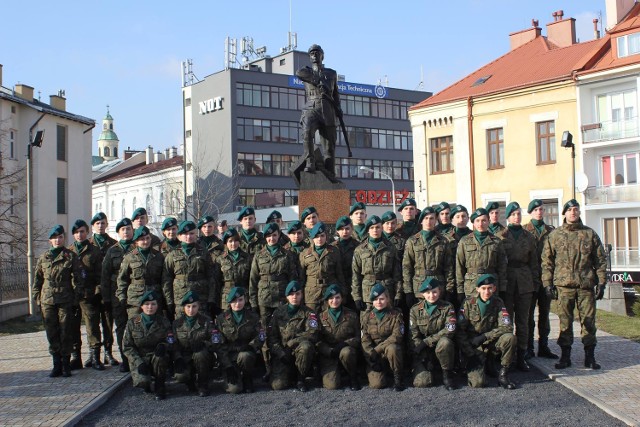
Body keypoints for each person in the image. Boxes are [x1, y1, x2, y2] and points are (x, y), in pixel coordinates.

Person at [541, 199, 607, 370]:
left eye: (575, 209)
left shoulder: (589, 234)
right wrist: (547, 283)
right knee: (565, 322)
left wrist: (601, 282)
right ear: (564, 213)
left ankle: (590, 356)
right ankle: (565, 357)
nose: (573, 212)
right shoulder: (555, 236)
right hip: (564, 286)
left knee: (589, 322)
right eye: (569, 209)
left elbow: (600, 260)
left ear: (579, 212)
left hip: (585, 285)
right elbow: (547, 262)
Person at [249, 222, 299, 381]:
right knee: (265, 333)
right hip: (265, 299)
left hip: (283, 298)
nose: (272, 238)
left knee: (285, 332)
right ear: (265, 238)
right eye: (269, 236)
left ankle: (286, 366)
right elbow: (253, 280)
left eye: (275, 235)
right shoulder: (259, 255)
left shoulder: (288, 254)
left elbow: (292, 278)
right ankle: (268, 368)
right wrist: (253, 302)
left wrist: (293, 298)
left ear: (279, 236)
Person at [33, 225, 84, 377]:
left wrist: (76, 299)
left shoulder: (71, 256)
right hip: (47, 300)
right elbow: (37, 280)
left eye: (60, 237)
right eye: (54, 238)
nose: (57, 240)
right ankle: (56, 364)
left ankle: (66, 364)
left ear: (63, 238)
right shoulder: (44, 257)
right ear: (50, 240)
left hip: (65, 299)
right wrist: (37, 299)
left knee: (66, 331)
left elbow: (79, 279)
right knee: (52, 332)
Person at [496, 202, 538, 371]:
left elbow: (534, 263)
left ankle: (521, 355)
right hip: (507, 282)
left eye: (518, 214)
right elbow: (499, 263)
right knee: (507, 321)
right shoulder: (501, 236)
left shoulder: (529, 237)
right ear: (507, 217)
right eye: (513, 214)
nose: (517, 217)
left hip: (524, 281)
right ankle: (507, 356)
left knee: (523, 321)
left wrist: (535, 283)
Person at [457, 274, 517, 390]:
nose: (487, 292)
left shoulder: (498, 302)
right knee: (478, 383)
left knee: (510, 338)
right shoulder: (468, 303)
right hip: (474, 347)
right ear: (477, 289)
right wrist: (469, 353)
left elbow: (507, 326)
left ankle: (503, 375)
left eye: (490, 288)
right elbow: (460, 331)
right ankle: (481, 365)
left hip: (491, 342)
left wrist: (485, 336)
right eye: (483, 288)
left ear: (494, 288)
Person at [295, 44, 341, 175]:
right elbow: (299, 73)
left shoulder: (331, 73)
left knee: (329, 146)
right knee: (307, 132)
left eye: (317, 52)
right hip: (312, 107)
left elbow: (336, 94)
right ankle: (310, 162)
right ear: (309, 57)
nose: (314, 55)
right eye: (312, 53)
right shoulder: (306, 71)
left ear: (322, 55)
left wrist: (338, 108)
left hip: (328, 109)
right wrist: (318, 80)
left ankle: (330, 171)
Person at [268, 281, 320, 391]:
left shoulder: (309, 313)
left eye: (297, 294)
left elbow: (312, 334)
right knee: (278, 386)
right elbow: (272, 338)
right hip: (283, 353)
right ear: (287, 296)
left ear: (302, 295)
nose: (294, 297)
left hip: (299, 351)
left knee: (306, 347)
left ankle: (300, 378)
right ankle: (290, 373)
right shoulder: (278, 313)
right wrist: (281, 353)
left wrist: (292, 342)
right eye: (291, 294)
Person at [162, 220, 218, 321]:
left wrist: (211, 299)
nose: (189, 237)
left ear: (196, 234)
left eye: (191, 233)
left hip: (200, 298)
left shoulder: (203, 253)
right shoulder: (172, 255)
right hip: (180, 299)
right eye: (185, 234)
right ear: (179, 236)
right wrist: (169, 301)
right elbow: (167, 279)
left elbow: (211, 277)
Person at [523, 199, 558, 360]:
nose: (539, 212)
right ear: (530, 212)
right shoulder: (525, 231)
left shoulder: (551, 231)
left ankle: (543, 346)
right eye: (535, 209)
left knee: (544, 315)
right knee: (528, 315)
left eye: (541, 209)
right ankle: (528, 347)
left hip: (546, 278)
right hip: (529, 279)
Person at [68, 219, 104, 371]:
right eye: (76, 232)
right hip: (72, 296)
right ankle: (76, 358)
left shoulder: (95, 251)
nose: (79, 235)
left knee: (92, 327)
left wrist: (96, 292)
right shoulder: (68, 252)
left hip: (89, 295)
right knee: (73, 327)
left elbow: (100, 275)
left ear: (87, 232)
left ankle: (95, 358)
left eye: (82, 231)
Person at [122, 290, 172, 400]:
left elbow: (171, 340)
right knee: (142, 382)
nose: (150, 307)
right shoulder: (132, 323)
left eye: (153, 304)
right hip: (140, 359)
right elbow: (127, 347)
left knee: (161, 357)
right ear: (142, 306)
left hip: (156, 358)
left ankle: (160, 385)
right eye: (147, 304)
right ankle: (147, 383)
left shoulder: (164, 322)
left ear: (157, 306)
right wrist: (138, 362)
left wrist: (164, 346)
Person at [409, 278, 457, 390]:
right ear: (423, 294)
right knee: (422, 383)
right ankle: (427, 368)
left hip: (440, 347)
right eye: (428, 293)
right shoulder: (415, 310)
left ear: (440, 291)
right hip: (423, 351)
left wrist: (426, 342)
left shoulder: (448, 307)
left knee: (445, 342)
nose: (432, 295)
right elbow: (413, 335)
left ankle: (447, 374)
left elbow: (449, 330)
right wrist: (422, 355)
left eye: (435, 292)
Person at [403, 207, 455, 307]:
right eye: (426, 218)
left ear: (436, 220)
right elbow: (407, 267)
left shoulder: (443, 241)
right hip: (419, 287)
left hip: (438, 285)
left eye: (432, 218)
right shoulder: (412, 241)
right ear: (421, 221)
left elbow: (449, 268)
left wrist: (449, 289)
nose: (429, 221)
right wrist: (408, 291)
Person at [217, 287, 266, 394]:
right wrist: (228, 366)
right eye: (234, 301)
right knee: (235, 390)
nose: (237, 303)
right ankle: (231, 375)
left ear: (245, 300)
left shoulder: (252, 317)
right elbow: (219, 346)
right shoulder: (221, 319)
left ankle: (247, 378)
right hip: (230, 358)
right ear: (229, 302)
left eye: (240, 300)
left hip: (246, 354)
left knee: (245, 355)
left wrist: (251, 346)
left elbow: (261, 335)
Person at [101, 218, 135, 372]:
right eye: (123, 230)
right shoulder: (112, 251)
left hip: (135, 295)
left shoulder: (138, 247)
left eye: (128, 229)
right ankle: (125, 359)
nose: (126, 232)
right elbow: (105, 276)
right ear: (119, 232)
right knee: (121, 327)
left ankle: (136, 358)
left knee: (135, 327)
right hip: (117, 296)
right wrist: (106, 298)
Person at [456, 208, 507, 303]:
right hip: (471, 286)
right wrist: (460, 290)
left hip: (491, 284)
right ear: (473, 223)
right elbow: (459, 267)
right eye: (477, 220)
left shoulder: (496, 241)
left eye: (484, 220)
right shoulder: (465, 241)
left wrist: (502, 288)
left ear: (488, 221)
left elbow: (502, 266)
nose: (480, 224)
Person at [352, 216, 403, 311]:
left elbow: (397, 274)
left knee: (388, 319)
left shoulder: (391, 248)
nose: (375, 230)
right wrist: (357, 296)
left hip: (387, 291)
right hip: (367, 293)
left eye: (377, 227)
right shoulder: (360, 250)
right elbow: (356, 275)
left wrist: (398, 294)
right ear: (368, 230)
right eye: (372, 227)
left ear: (382, 228)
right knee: (368, 322)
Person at [88, 212, 120, 367]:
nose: (100, 226)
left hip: (109, 291)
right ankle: (93, 354)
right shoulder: (88, 245)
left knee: (107, 323)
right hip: (92, 292)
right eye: (97, 223)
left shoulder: (114, 245)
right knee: (92, 324)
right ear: (93, 226)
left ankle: (108, 352)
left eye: (103, 223)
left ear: (107, 225)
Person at [172, 291, 217, 397]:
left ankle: (203, 385)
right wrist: (177, 358)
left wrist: (204, 344)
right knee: (180, 376)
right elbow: (174, 344)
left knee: (200, 354)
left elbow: (215, 341)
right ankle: (190, 381)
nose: (191, 310)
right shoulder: (177, 324)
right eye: (188, 306)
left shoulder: (206, 321)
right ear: (184, 307)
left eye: (194, 306)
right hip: (185, 357)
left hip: (203, 357)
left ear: (199, 306)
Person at [361, 283, 405, 391]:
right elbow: (365, 341)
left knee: (393, 348)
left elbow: (397, 336)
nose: (378, 302)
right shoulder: (367, 316)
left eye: (381, 299)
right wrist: (372, 360)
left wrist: (378, 349)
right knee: (377, 385)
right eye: (375, 299)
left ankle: (397, 379)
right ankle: (381, 372)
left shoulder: (396, 315)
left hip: (389, 352)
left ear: (388, 299)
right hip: (375, 357)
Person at [316, 284, 361, 390]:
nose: (334, 300)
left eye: (337, 297)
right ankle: (338, 373)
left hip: (345, 350)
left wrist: (345, 343)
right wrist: (328, 351)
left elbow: (359, 337)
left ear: (342, 298)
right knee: (332, 386)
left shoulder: (352, 315)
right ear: (327, 300)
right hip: (329, 355)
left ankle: (352, 377)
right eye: (331, 298)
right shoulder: (321, 318)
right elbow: (317, 340)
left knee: (347, 352)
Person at [117, 226, 165, 319]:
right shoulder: (129, 257)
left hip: (154, 298)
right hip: (136, 300)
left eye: (147, 238)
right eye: (142, 239)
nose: (146, 241)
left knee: (155, 328)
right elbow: (122, 279)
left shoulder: (158, 256)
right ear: (136, 242)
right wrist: (122, 297)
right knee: (136, 328)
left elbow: (163, 279)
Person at [299, 222, 345, 312]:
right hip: (311, 293)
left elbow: (339, 274)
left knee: (328, 320)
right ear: (312, 237)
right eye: (316, 236)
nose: (319, 239)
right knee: (312, 320)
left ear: (326, 236)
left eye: (322, 236)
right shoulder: (305, 253)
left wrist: (343, 292)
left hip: (329, 290)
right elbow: (301, 277)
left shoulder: (334, 251)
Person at [214, 229, 252, 307]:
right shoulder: (220, 259)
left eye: (235, 241)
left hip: (243, 295)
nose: (233, 243)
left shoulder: (247, 257)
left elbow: (251, 279)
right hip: (227, 296)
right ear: (226, 243)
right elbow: (217, 282)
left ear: (239, 242)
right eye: (230, 241)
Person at [331, 216, 359, 309]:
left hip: (353, 287)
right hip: (337, 288)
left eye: (347, 228)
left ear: (352, 229)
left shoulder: (358, 247)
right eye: (341, 229)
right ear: (337, 231)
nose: (345, 231)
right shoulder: (331, 248)